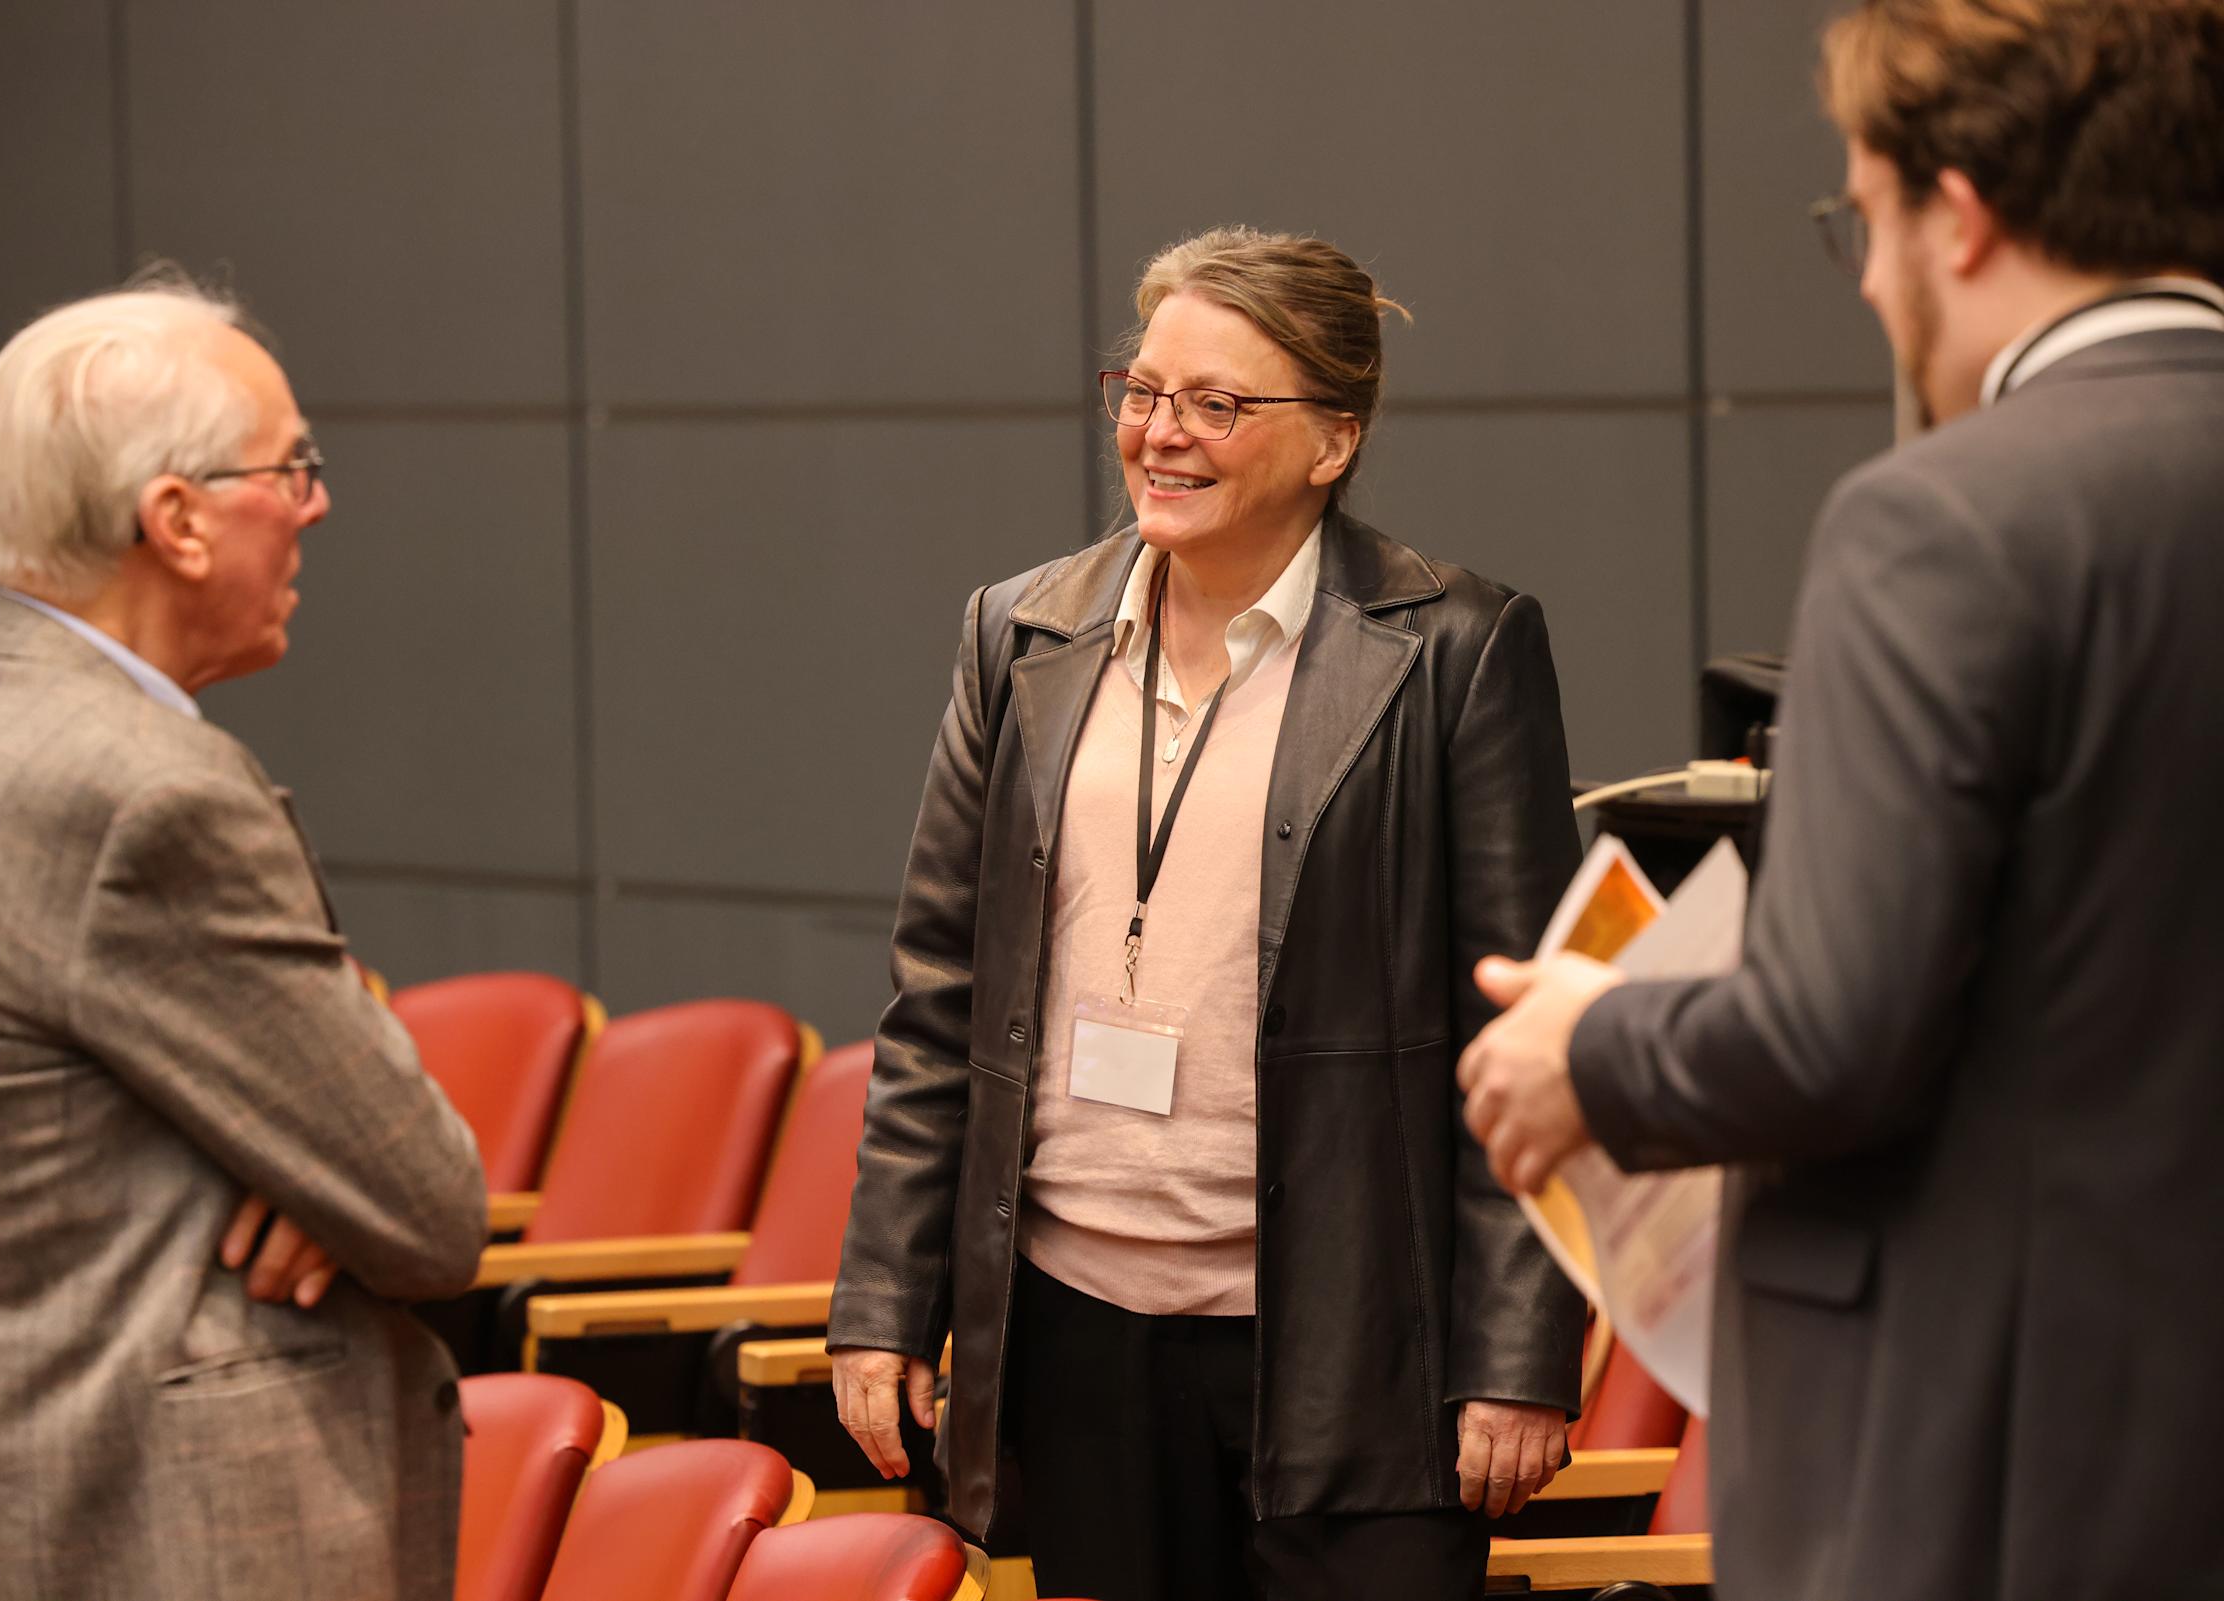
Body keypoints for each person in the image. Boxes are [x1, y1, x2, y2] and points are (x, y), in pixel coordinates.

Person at [1455, 3, 2224, 1597]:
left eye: (1861, 220)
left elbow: (1833, 1033)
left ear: (1961, 211)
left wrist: (1581, 1049)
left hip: (1983, 1463)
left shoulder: (1943, 523)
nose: (1869, 282)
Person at [829, 226, 1585, 1601]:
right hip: (1082, 1334)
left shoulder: (1458, 651)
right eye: (1141, 390)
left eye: (1216, 404)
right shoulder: (1021, 638)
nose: (1159, 435)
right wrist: (885, 1298)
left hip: (1358, 1345)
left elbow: (1525, 1026)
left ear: (1333, 440)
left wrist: (1520, 1353)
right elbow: (939, 991)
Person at [0, 275, 487, 1600]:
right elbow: (423, 1202)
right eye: (290, 466)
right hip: (172, 1543)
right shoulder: (141, 794)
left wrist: (307, 1166)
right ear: (174, 519)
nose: (316, 503)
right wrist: (316, 1173)